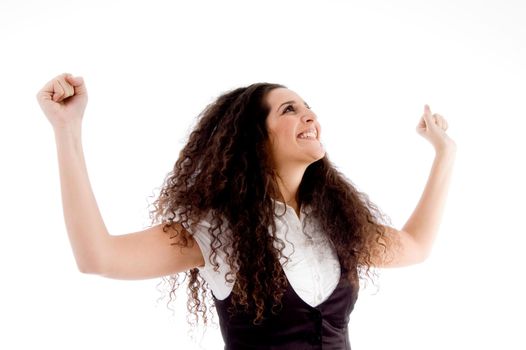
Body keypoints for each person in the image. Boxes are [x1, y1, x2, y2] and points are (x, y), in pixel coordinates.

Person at [37, 72, 457, 349]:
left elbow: (415, 246)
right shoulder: (214, 229)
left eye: (307, 106)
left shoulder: (335, 222)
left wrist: (445, 153)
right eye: (288, 109)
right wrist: (67, 130)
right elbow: (98, 257)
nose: (309, 115)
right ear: (255, 138)